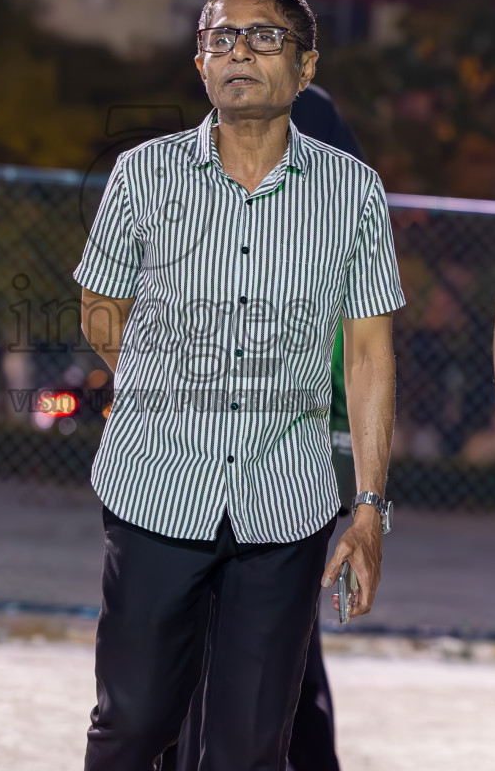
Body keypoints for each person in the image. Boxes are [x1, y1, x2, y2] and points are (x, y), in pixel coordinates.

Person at [76, 0, 405, 770]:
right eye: (220, 37)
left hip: (283, 507)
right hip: (158, 488)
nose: (240, 52)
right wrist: (160, 384)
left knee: (251, 746)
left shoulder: (353, 194)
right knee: (134, 723)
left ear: (306, 66)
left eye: (265, 37)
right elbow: (99, 306)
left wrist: (368, 506)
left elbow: (367, 354)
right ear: (199, 63)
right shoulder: (143, 175)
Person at [162, 80, 364, 771]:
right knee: (262, 644)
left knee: (257, 643)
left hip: (285, 466)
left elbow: (348, 370)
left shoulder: (322, 237)